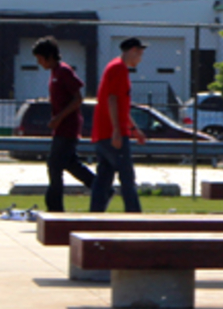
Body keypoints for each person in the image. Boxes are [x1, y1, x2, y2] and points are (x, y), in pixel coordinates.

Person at [32, 36, 96, 212]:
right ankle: (101, 189)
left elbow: (78, 99)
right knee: (70, 163)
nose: (39, 63)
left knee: (54, 166)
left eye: (40, 59)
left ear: (50, 56)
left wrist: (59, 117)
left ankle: (55, 208)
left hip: (68, 127)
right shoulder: (54, 73)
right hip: (61, 127)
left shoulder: (64, 71)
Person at [89, 37, 147, 213]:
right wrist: (116, 130)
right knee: (127, 177)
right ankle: (134, 216)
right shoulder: (119, 68)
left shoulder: (115, 67)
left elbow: (121, 105)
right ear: (133, 51)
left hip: (105, 132)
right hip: (112, 132)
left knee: (104, 178)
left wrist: (134, 128)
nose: (140, 58)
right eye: (139, 54)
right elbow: (112, 99)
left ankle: (95, 216)